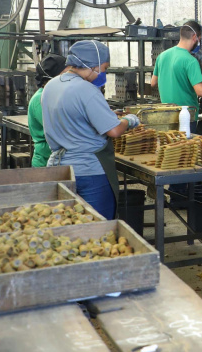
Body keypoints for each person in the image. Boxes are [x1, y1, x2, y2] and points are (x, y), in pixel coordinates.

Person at [42, 41, 141, 219]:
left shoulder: (51, 85)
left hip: (59, 169)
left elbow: (73, 116)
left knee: (67, 225)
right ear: (92, 65)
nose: (103, 73)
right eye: (103, 68)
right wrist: (129, 120)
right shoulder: (87, 90)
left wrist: (105, 113)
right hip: (89, 173)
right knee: (98, 228)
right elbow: (115, 131)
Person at [28, 54, 66, 167]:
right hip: (45, 160)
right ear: (52, 77)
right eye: (64, 74)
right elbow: (56, 128)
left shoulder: (54, 95)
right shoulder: (40, 99)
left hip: (56, 157)